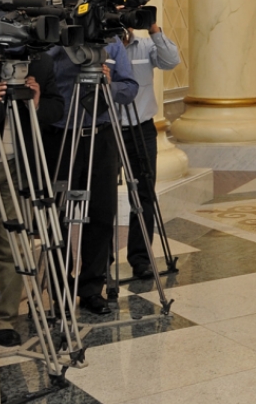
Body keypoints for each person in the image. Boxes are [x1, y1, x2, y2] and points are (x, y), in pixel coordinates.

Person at [48, 38, 139, 315]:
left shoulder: (112, 44)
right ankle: (60, 290)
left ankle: (91, 288)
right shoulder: (53, 43)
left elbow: (130, 88)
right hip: (60, 136)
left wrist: (109, 85)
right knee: (57, 215)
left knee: (101, 213)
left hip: (101, 136)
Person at [0, 49, 63, 348]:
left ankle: (2, 319)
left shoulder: (41, 62)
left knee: (13, 243)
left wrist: (35, 103)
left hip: (15, 162)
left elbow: (57, 107)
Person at [120, 21, 182, 280]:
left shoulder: (145, 45)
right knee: (101, 198)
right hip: (106, 128)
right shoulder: (97, 47)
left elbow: (171, 61)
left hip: (141, 127)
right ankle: (101, 263)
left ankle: (141, 258)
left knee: (144, 194)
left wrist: (154, 29)